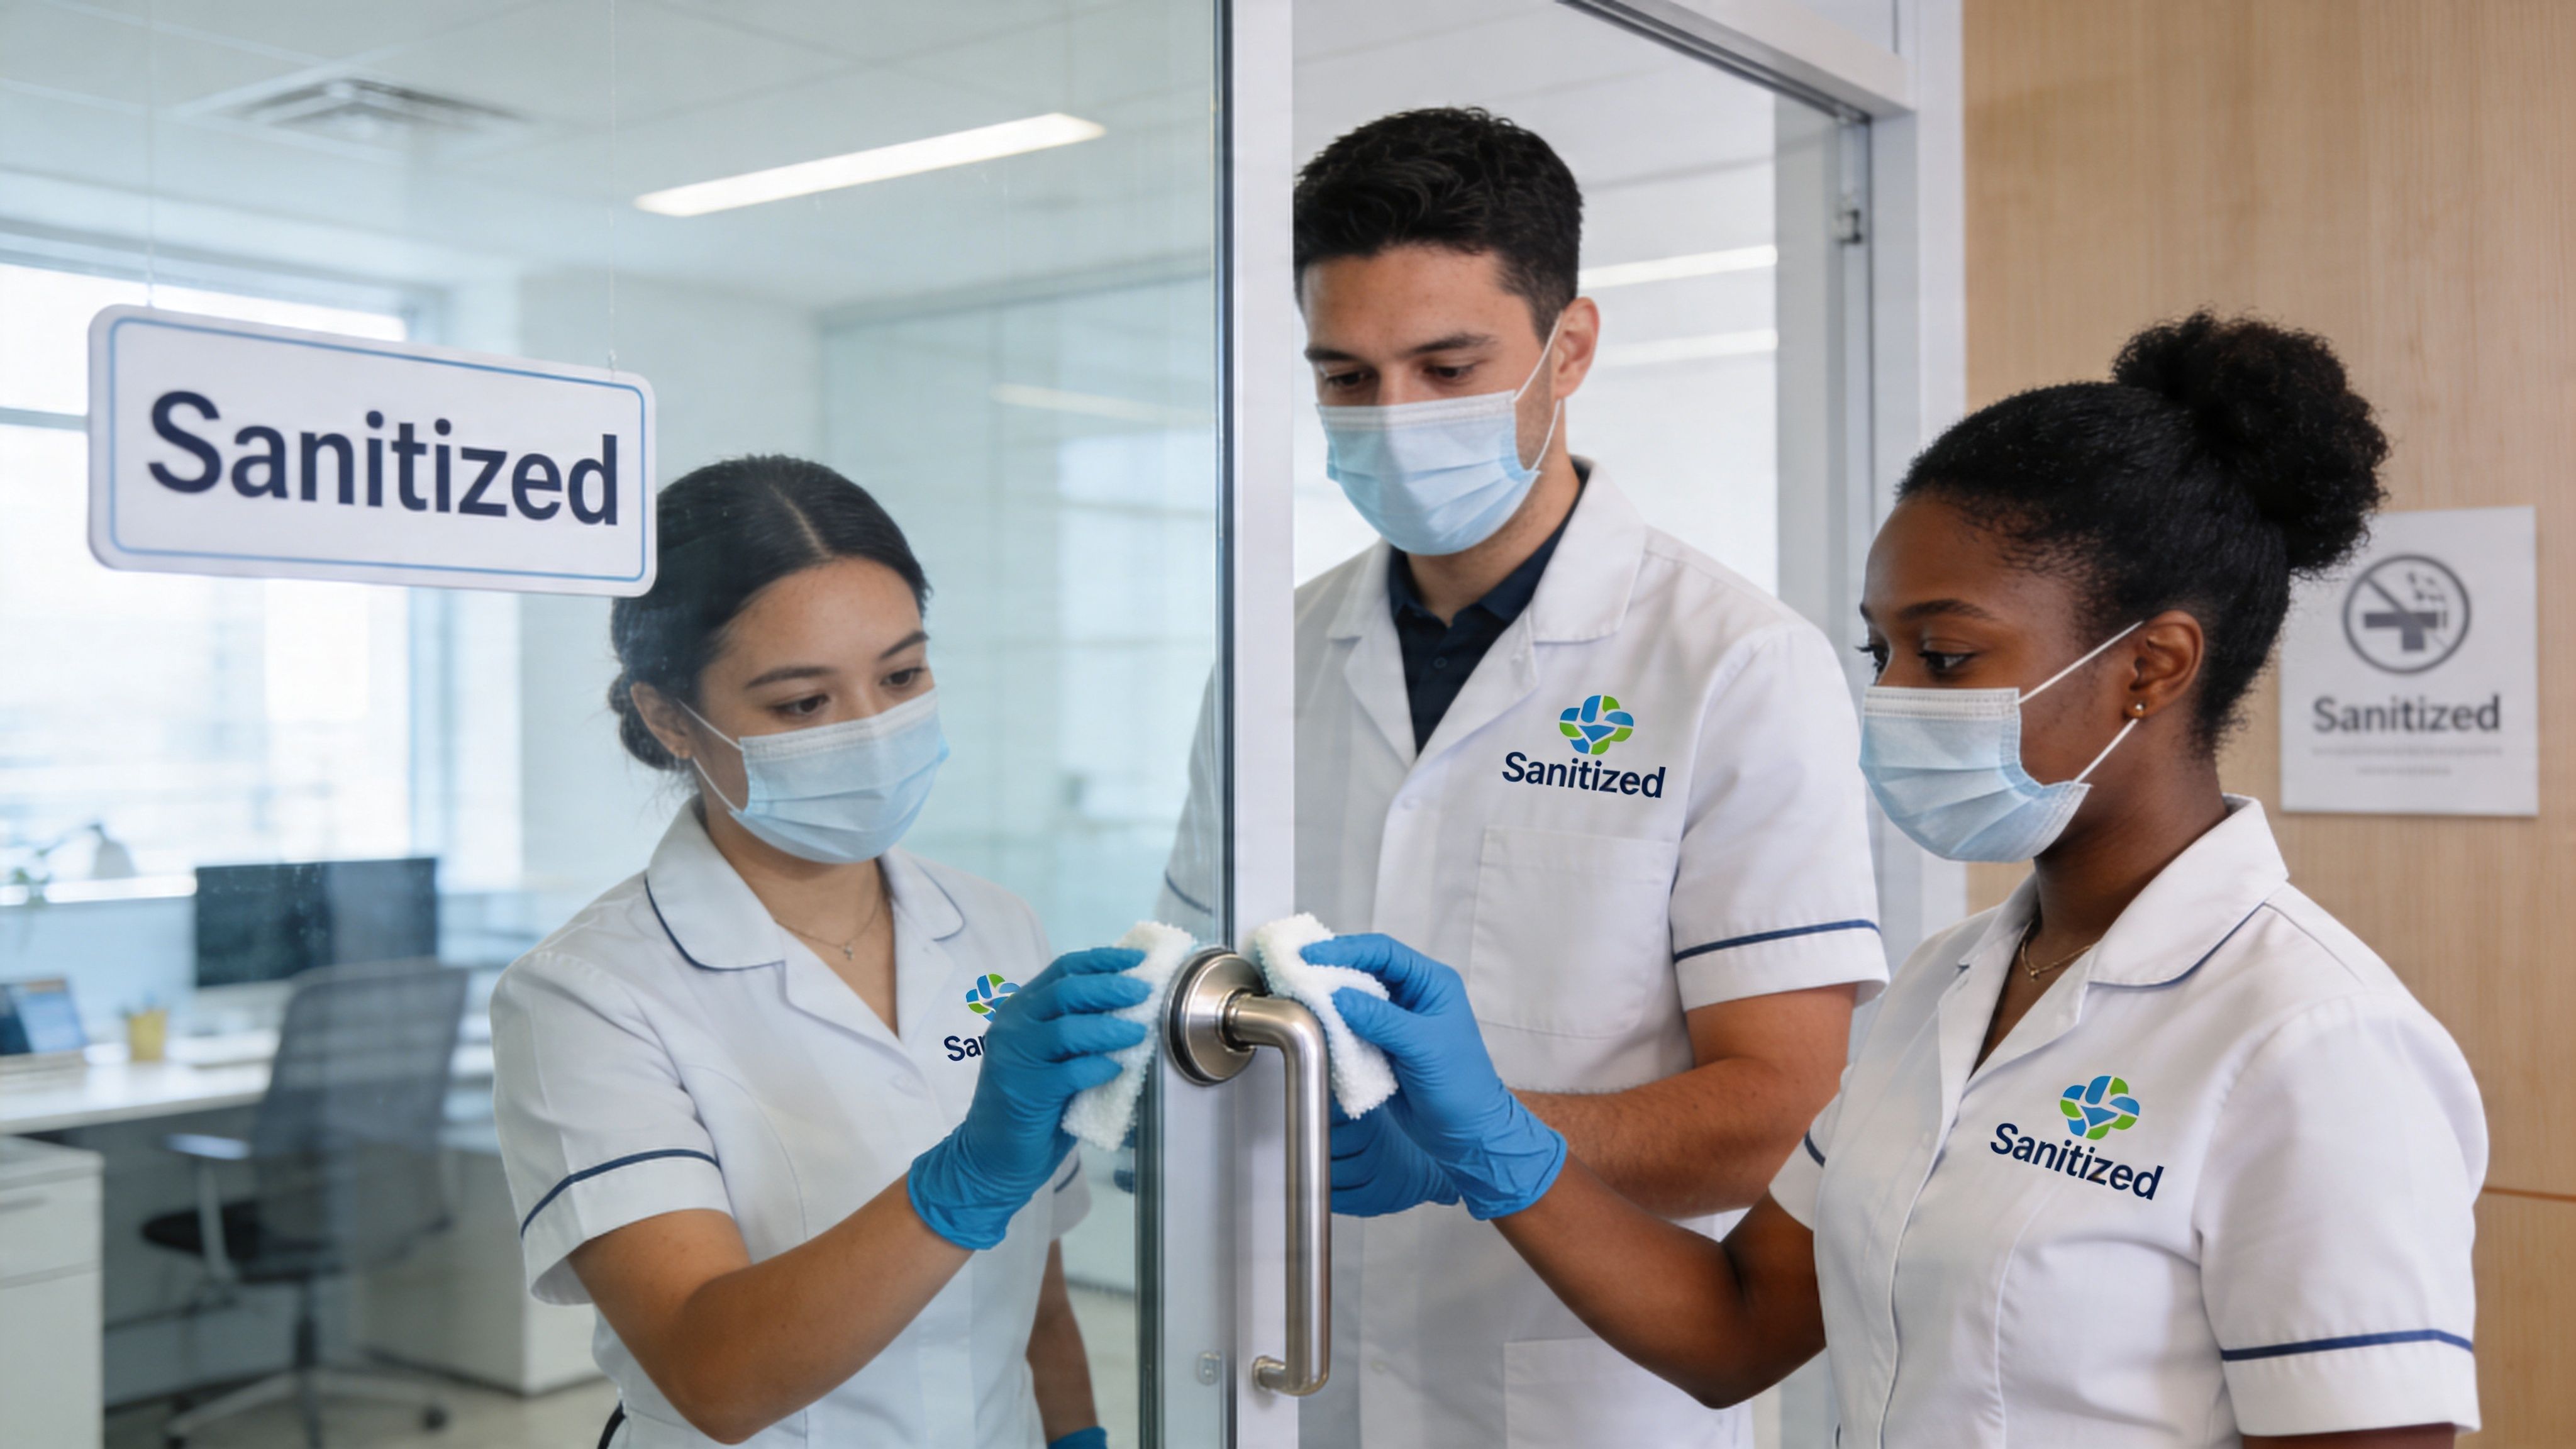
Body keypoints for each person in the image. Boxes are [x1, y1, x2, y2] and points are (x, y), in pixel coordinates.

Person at [1318, 314, 2487, 1447]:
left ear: (2153, 664)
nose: (1897, 697)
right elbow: (1736, 1328)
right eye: (1883, 652)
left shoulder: (2313, 1040)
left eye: (1950, 653)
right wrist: (1491, 1144)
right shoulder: (1949, 988)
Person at [1165, 107, 1887, 1448]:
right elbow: (1205, 994)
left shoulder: (1730, 665)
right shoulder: (1267, 651)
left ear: (1569, 351)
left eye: (1446, 366)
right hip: (1290, 1367)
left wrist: (1469, 1137)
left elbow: (1784, 1103)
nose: (1393, 420)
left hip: (1582, 1393)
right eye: (1345, 376)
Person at [491, 457, 1143, 1449]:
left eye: (901, 674)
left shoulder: (997, 927)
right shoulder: (586, 997)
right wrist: (961, 1179)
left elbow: (1034, 1296)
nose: (873, 733)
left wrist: (1076, 1437)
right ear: (670, 718)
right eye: (802, 704)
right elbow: (715, 1375)